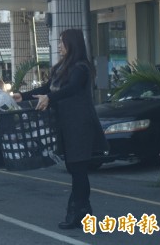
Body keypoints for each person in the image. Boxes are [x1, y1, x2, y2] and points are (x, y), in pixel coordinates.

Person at [12, 28, 108, 230]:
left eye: (61, 42)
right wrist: (24, 96)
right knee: (74, 168)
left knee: (78, 168)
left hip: (80, 124)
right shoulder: (61, 68)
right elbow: (48, 88)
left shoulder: (81, 68)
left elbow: (71, 89)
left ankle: (77, 211)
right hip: (65, 124)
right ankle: (84, 210)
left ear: (71, 44)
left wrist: (50, 98)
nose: (58, 46)